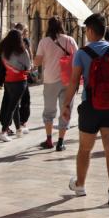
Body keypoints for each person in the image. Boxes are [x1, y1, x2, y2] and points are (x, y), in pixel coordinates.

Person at [62, 13, 109, 206]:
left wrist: (66, 104)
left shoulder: (82, 53)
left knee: (85, 148)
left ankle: (81, 185)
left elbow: (74, 82)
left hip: (90, 107)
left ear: (90, 31)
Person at [34, 17, 79, 151]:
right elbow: (78, 58)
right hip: (67, 81)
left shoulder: (44, 42)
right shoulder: (69, 40)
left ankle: (49, 140)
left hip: (50, 81)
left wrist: (37, 58)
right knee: (65, 109)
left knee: (49, 111)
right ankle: (61, 141)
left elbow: (37, 62)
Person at [0, 29, 32, 142]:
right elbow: (28, 66)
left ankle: (18, 130)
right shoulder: (22, 51)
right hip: (20, 81)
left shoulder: (3, 50)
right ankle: (3, 132)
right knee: (12, 107)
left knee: (15, 106)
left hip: (8, 81)